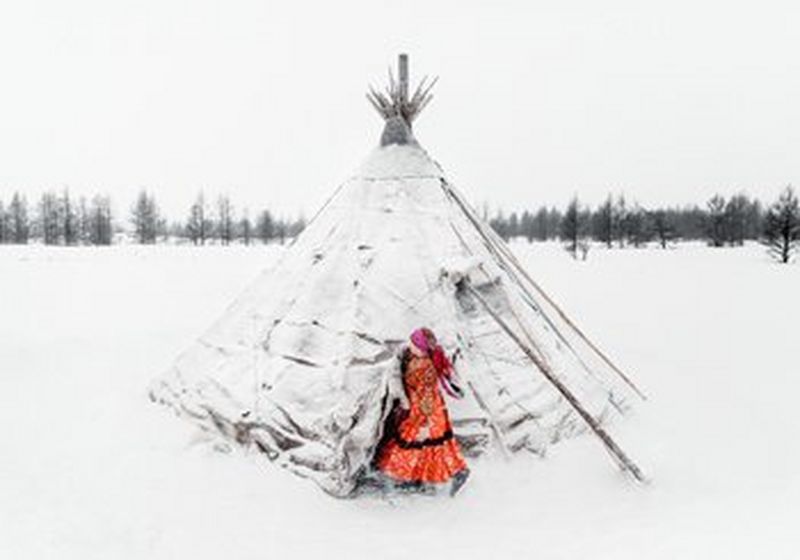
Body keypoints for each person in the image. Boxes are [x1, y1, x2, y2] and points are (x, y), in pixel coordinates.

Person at [375, 327, 470, 496]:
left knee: (413, 443)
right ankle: (448, 472)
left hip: (425, 412)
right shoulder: (419, 357)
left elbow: (428, 396)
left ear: (421, 348)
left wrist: (425, 423)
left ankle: (396, 477)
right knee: (429, 447)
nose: (409, 345)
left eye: (413, 343)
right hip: (425, 409)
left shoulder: (423, 367)